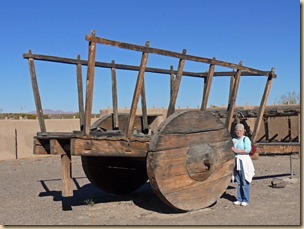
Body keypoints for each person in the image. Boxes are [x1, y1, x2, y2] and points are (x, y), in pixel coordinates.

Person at [231, 123, 255, 207]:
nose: (238, 132)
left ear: (243, 131)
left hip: (243, 161)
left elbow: (248, 150)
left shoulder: (246, 139)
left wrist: (237, 151)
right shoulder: (234, 140)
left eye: (240, 131)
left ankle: (245, 199)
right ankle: (239, 198)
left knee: (244, 180)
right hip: (236, 161)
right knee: (239, 181)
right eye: (237, 131)